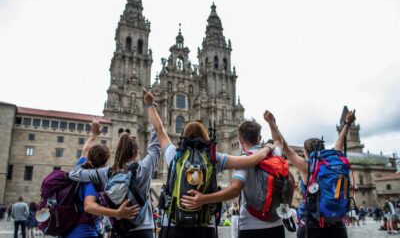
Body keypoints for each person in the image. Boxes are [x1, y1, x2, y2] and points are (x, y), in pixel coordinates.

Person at [142, 88, 274, 238]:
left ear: (183, 137)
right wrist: (267, 147)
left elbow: (159, 130)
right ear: (205, 136)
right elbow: (251, 160)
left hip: (173, 225)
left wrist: (150, 104)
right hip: (205, 225)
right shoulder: (213, 158)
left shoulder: (174, 154)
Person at [180, 117, 286, 238]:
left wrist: (204, 199)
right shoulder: (275, 153)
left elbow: (235, 190)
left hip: (251, 226)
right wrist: (271, 123)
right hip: (277, 224)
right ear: (259, 138)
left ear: (240, 140)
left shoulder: (244, 160)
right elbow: (279, 141)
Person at [265, 109, 356, 238]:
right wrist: (347, 123)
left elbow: (283, 145)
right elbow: (340, 141)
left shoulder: (306, 166)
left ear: (306, 152)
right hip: (337, 224)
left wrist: (272, 123)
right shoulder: (334, 159)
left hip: (313, 224)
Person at [69, 113, 161, 238]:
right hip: (143, 230)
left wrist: (93, 137)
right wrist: (152, 109)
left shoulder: (106, 172)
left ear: (117, 151)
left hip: (118, 231)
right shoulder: (143, 168)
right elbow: (155, 146)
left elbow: (73, 174)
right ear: (136, 152)